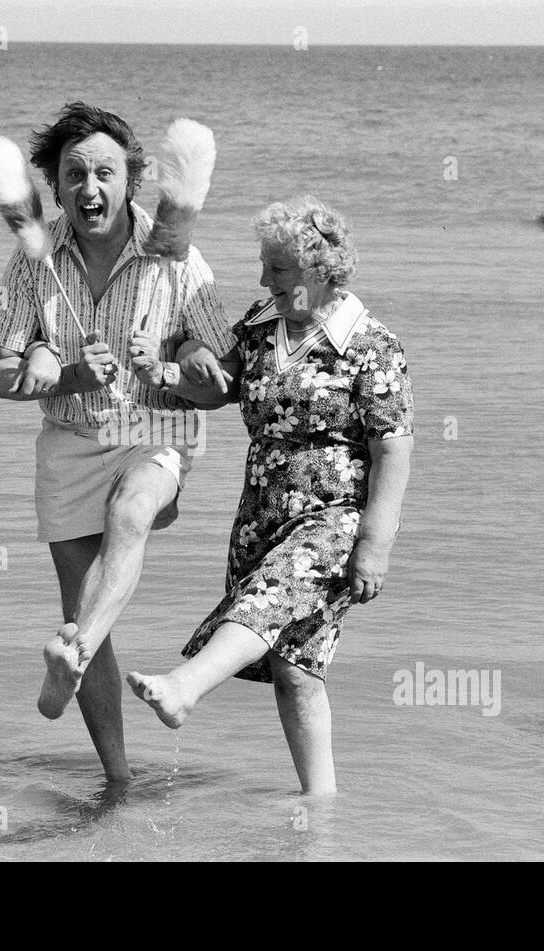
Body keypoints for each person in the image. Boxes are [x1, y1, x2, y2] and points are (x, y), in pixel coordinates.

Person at [0, 102, 235, 782]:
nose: (89, 189)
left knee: (131, 513)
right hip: (69, 439)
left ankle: (78, 647)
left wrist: (176, 367)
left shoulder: (179, 257)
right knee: (80, 604)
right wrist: (55, 369)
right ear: (53, 186)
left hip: (156, 428)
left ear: (134, 177)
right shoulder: (32, 261)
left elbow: (224, 381)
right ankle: (118, 781)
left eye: (104, 173)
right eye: (73, 176)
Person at [126, 196, 414, 795]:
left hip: (334, 521)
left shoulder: (372, 345)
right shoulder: (261, 326)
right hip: (261, 517)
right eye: (265, 266)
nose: (264, 279)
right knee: (295, 670)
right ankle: (321, 806)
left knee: (262, 604)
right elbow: (220, 389)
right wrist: (165, 375)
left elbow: (393, 449)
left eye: (277, 269)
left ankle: (185, 688)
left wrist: (375, 544)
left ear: (319, 269)